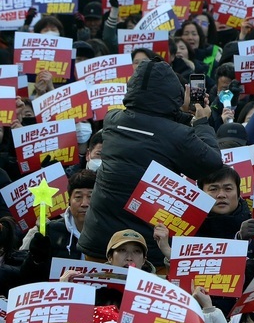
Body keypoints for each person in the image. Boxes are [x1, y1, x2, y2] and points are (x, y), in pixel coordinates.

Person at [78, 60, 222, 261]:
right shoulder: (178, 136)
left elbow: (152, 125)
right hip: (145, 245)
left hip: (100, 240)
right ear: (175, 95)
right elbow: (213, 163)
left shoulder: (112, 120)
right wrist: (201, 122)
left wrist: (179, 114)